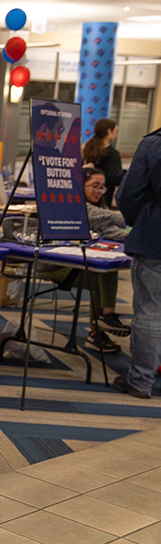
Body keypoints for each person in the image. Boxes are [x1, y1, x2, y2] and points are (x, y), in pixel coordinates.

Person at [37, 167, 132, 353]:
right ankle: (101, 324)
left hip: (77, 261)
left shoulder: (99, 209)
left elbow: (108, 231)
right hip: (55, 263)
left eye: (102, 187)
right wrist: (136, 218)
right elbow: (112, 218)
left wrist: (135, 234)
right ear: (80, 186)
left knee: (106, 267)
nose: (99, 191)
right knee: (97, 273)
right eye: (94, 186)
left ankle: (103, 321)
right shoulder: (73, 205)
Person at [113, 126, 160, 399]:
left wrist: (139, 221)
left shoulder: (154, 144)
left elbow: (128, 194)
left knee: (150, 312)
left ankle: (141, 381)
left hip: (156, 238)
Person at [82, 118, 124, 206]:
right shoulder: (113, 154)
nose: (116, 135)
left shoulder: (86, 147)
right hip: (103, 196)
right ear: (109, 131)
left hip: (84, 194)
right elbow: (114, 177)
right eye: (115, 131)